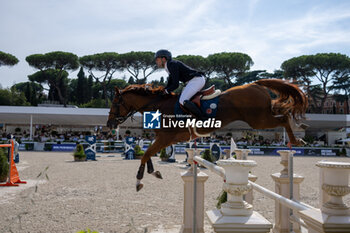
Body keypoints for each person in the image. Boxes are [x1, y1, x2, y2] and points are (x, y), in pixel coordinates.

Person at [155, 49, 207, 120]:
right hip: (193, 81)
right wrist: (165, 90)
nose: (156, 61)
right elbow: (170, 82)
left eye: (157, 59)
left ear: (163, 59)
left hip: (196, 80)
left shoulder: (172, 64)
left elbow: (176, 84)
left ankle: (203, 118)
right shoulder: (169, 66)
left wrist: (167, 91)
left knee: (183, 100)